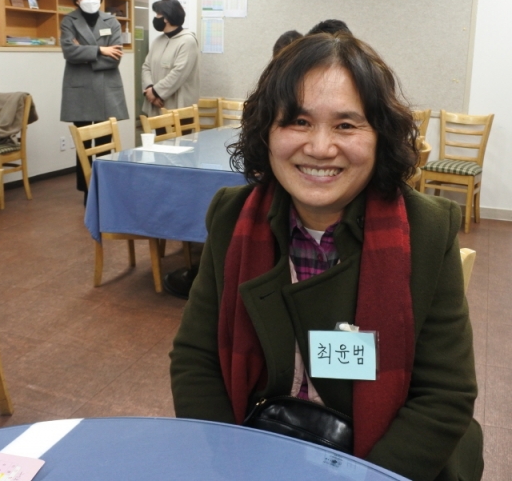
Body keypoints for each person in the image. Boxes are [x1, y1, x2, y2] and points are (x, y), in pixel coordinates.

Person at [169, 33, 482, 481]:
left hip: (384, 462)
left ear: (380, 136)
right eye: (298, 121)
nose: (320, 148)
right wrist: (232, 463)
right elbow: (196, 359)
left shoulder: (427, 231)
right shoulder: (232, 217)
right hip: (257, 449)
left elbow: (444, 395)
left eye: (346, 125)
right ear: (267, 130)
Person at [59, 0, 128, 200]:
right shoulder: (69, 20)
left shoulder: (112, 21)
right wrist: (100, 50)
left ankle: (103, 189)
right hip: (79, 90)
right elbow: (69, 52)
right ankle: (87, 191)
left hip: (106, 89)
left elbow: (115, 58)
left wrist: (85, 51)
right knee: (83, 143)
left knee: (104, 142)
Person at [141, 0, 200, 116]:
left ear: (166, 18)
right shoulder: (157, 41)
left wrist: (155, 92)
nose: (155, 18)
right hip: (156, 106)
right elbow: (146, 67)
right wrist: (150, 90)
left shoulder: (188, 41)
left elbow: (178, 73)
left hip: (179, 108)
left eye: (157, 14)